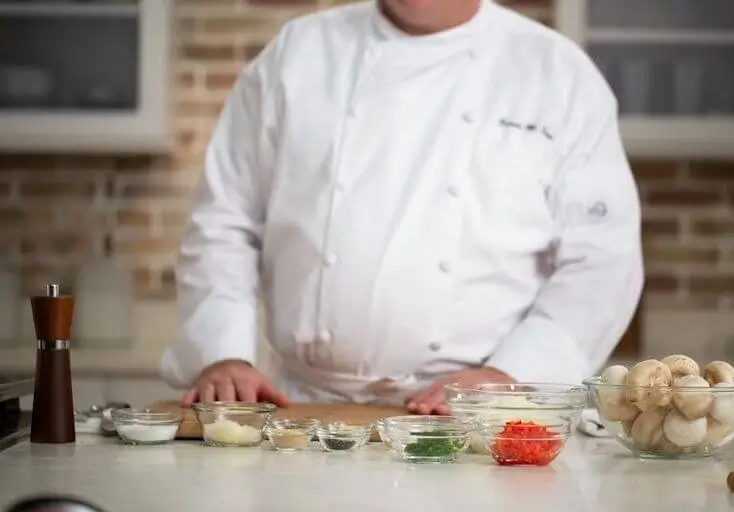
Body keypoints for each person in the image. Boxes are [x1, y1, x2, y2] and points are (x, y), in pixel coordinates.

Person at [159, 0, 643, 415]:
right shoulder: (298, 56)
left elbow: (601, 261)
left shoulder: (557, 74)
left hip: (475, 418)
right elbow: (224, 222)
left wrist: (512, 374)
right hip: (299, 412)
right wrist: (223, 353)